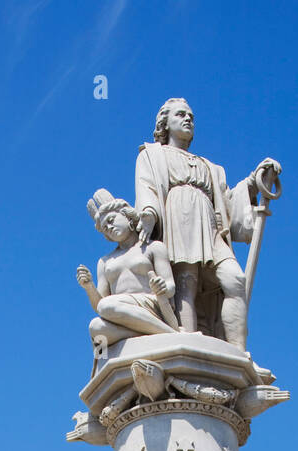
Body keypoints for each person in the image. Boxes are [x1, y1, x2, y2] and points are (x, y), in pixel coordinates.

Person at [135, 98, 280, 349]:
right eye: (180, 115)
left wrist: (253, 183)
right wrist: (148, 213)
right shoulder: (152, 155)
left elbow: (227, 202)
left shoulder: (210, 167)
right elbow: (146, 186)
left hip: (212, 227)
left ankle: (238, 352)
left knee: (235, 281)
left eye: (191, 115)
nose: (188, 119)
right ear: (165, 123)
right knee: (186, 283)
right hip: (179, 218)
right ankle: (188, 344)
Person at [76, 188, 179, 356]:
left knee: (106, 306)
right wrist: (88, 286)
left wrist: (162, 287)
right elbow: (99, 306)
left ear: (127, 215)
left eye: (111, 220)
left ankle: (171, 335)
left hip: (150, 305)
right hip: (119, 314)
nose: (109, 227)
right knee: (96, 328)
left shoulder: (152, 247)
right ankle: (104, 365)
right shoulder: (105, 261)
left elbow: (170, 286)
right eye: (105, 227)